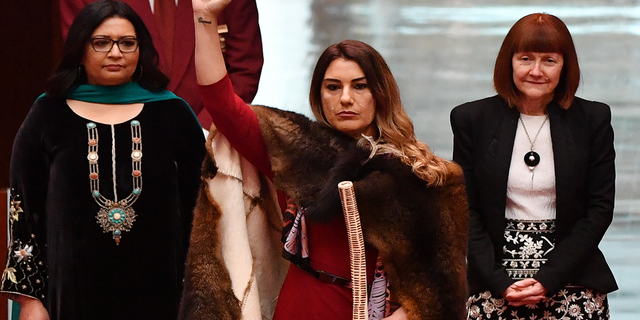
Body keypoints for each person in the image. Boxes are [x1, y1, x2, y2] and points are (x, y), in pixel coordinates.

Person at [185, 1, 468, 320]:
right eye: (332, 87)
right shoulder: (297, 151)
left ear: (380, 93)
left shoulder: (425, 173)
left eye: (359, 86)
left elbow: (442, 286)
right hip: (302, 305)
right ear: (319, 95)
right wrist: (203, 17)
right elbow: (221, 103)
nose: (345, 98)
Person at [0, 1, 206, 319]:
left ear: (141, 50)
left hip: (161, 295)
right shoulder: (48, 114)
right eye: (101, 43)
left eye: (127, 43)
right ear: (80, 50)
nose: (115, 52)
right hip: (69, 297)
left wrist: (202, 293)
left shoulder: (173, 113)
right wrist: (30, 300)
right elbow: (24, 213)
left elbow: (203, 208)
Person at [450, 13, 618, 320]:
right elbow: (464, 210)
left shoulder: (592, 120)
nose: (536, 71)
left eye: (549, 60)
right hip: (494, 281)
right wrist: (501, 282)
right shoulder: (472, 119)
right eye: (525, 58)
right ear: (509, 62)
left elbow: (600, 209)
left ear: (565, 65)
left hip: (572, 279)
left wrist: (548, 279)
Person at [60, 0, 264, 129]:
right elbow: (82, 63)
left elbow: (244, 69)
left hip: (210, 145)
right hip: (117, 136)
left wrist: (200, 131)